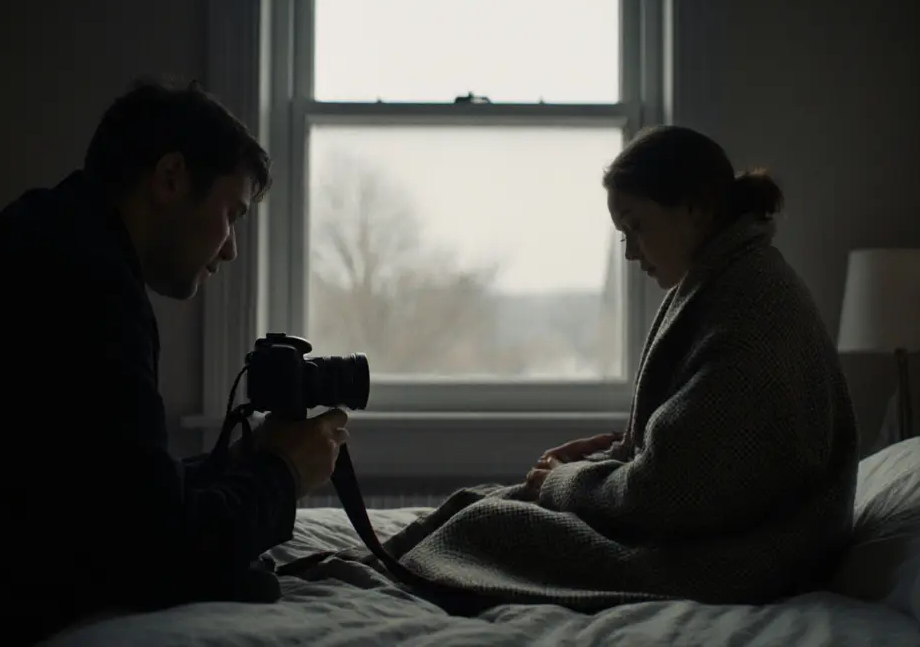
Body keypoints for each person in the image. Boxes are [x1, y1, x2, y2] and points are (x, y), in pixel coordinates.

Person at [0, 79, 348, 643]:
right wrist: (283, 474)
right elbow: (153, 545)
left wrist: (239, 464)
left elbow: (100, 491)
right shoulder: (89, 285)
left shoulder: (47, 239)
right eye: (231, 214)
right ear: (170, 178)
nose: (231, 248)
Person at [307, 124, 858, 615]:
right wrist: (601, 462)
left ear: (696, 208)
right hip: (721, 532)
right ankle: (376, 563)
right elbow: (704, 450)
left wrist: (568, 483)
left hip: (747, 558)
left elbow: (670, 494)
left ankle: (380, 580)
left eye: (637, 227)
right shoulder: (726, 281)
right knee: (485, 499)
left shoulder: (750, 306)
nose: (630, 253)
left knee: (494, 526)